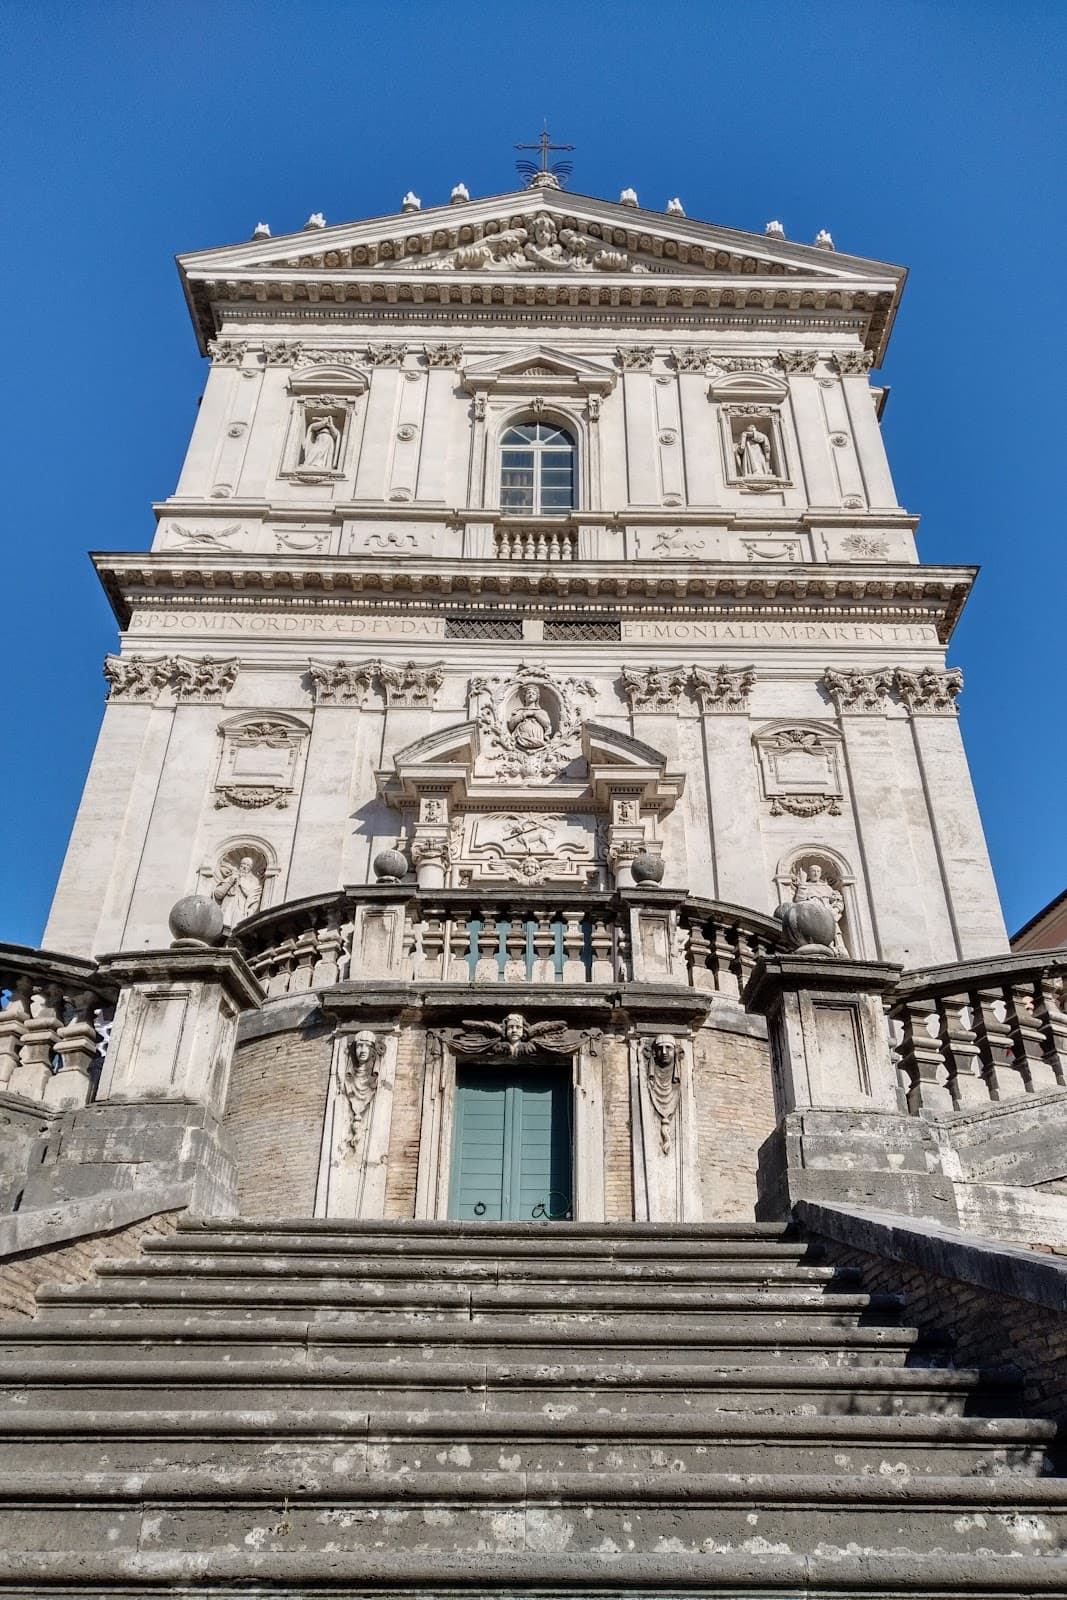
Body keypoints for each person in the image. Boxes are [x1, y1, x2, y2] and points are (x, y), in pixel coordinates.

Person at [506, 684, 553, 750]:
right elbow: (511, 725)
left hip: (538, 738)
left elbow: (547, 725)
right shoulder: (519, 711)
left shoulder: (541, 712)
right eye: (529, 693)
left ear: (537, 697)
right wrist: (524, 714)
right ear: (525, 696)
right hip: (521, 738)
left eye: (533, 694)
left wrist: (535, 715)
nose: (531, 695)